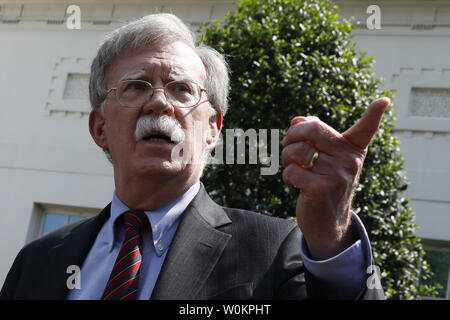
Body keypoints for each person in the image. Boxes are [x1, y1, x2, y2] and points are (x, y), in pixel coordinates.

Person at [0, 13, 388, 300]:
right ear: (100, 128)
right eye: (136, 86)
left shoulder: (274, 249)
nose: (158, 102)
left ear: (213, 129)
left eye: (182, 89)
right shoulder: (37, 261)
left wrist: (331, 233)